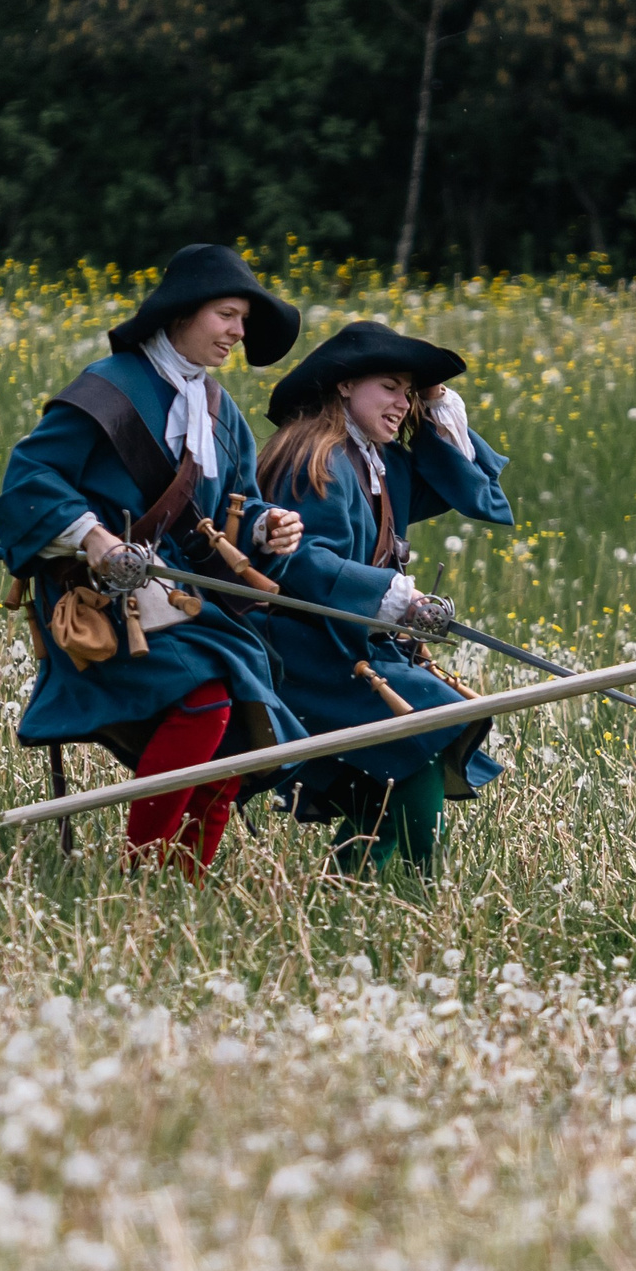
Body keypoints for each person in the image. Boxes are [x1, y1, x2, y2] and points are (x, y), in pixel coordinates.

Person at [0, 244, 310, 874]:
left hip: (182, 599)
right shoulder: (108, 388)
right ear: (184, 313)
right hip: (96, 595)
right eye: (227, 315)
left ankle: (185, 878)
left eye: (243, 319)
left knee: (244, 718)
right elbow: (28, 480)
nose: (238, 332)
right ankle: (144, 867)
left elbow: (233, 516)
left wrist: (269, 527)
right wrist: (94, 538)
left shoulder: (223, 414)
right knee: (208, 693)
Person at [257, 320, 515, 876]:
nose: (402, 403)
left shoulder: (378, 462)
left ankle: (348, 888)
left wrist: (435, 399)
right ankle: (424, 887)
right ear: (345, 385)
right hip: (305, 650)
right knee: (423, 733)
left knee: (390, 783)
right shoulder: (315, 456)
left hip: (351, 647)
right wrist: (391, 596)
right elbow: (299, 561)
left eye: (408, 391)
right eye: (390, 386)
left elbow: (464, 486)